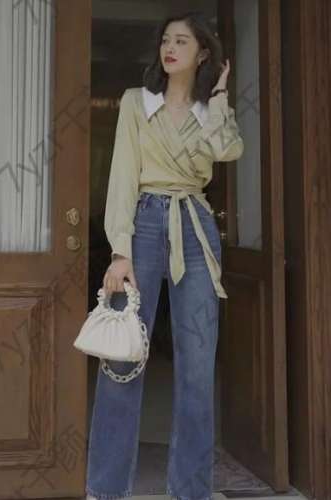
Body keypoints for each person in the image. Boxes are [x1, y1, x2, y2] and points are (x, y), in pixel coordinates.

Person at [85, 10, 244, 500]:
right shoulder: (137, 102)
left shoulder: (209, 111)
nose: (170, 48)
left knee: (197, 365)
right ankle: (106, 489)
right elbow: (122, 175)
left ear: (202, 54)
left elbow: (229, 150)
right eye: (166, 40)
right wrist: (120, 250)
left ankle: (190, 491)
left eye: (182, 41)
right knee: (122, 358)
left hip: (195, 226)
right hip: (145, 223)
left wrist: (219, 95)